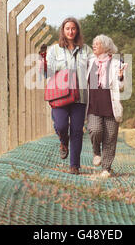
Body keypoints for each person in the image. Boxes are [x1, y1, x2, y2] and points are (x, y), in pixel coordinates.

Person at [46, 17, 93, 175]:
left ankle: (75, 166)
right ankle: (63, 142)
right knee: (60, 125)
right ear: (63, 31)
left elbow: (94, 67)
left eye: (73, 28)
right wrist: (66, 67)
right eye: (67, 29)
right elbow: (50, 70)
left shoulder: (86, 49)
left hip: (80, 96)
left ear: (77, 30)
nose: (70, 31)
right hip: (61, 95)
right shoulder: (54, 50)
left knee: (77, 130)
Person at [86, 35, 126, 178]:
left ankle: (106, 168)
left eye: (97, 43)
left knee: (110, 137)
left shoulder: (116, 63)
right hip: (93, 106)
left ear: (106, 46)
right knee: (95, 130)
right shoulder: (90, 62)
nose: (94, 45)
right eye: (93, 43)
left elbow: (121, 87)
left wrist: (121, 76)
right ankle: (96, 151)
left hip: (110, 106)